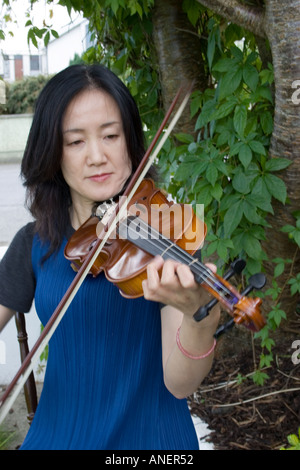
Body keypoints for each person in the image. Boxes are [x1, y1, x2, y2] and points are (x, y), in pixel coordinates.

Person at [0, 64, 220, 450]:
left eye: (111, 136)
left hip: (153, 442)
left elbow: (181, 383)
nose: (97, 156)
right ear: (52, 152)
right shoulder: (35, 243)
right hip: (58, 438)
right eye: (75, 142)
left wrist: (199, 317)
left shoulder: (167, 236)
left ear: (131, 142)